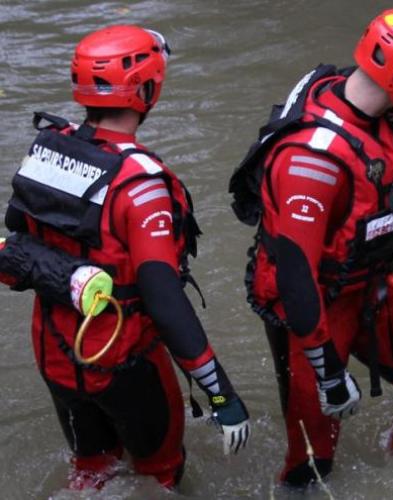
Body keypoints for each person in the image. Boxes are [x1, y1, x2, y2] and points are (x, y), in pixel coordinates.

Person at [1, 25, 250, 489]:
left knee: (92, 470)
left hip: (55, 349)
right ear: (148, 89)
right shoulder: (142, 185)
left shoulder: (47, 149)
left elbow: (19, 232)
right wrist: (220, 394)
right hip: (122, 359)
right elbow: (165, 300)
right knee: (160, 473)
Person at [229, 8, 393, 486]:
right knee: (311, 461)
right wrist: (328, 370)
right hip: (313, 306)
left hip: (367, 286)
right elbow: (296, 274)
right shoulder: (312, 159)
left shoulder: (373, 111)